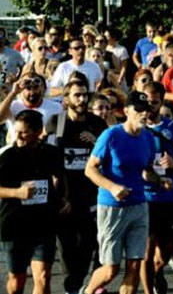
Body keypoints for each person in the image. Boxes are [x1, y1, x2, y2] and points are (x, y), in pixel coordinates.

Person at [81, 91, 173, 294]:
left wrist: (160, 180)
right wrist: (112, 187)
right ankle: (87, 291)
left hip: (139, 206)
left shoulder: (148, 138)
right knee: (110, 270)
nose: (144, 114)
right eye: (138, 110)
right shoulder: (111, 135)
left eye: (146, 110)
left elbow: (147, 171)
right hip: (112, 208)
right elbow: (90, 169)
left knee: (135, 265)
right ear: (126, 111)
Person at [48, 81, 108, 294]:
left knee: (88, 243)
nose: (82, 100)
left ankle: (80, 285)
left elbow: (111, 157)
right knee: (66, 248)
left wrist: (96, 143)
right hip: (64, 196)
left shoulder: (97, 124)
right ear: (66, 99)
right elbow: (47, 156)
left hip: (91, 195)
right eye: (77, 95)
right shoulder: (56, 123)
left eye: (84, 95)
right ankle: (73, 286)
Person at [0, 110, 67, 294]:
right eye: (17, 131)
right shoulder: (7, 156)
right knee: (17, 280)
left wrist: (63, 199)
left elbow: (60, 178)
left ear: (38, 132)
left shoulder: (52, 153)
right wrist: (17, 192)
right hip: (14, 225)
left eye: (24, 132)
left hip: (43, 223)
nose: (19, 136)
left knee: (43, 276)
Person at [141, 82, 173, 294]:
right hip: (144, 198)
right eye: (146, 102)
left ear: (161, 101)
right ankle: (149, 290)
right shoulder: (134, 129)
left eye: (154, 102)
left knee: (164, 255)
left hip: (168, 197)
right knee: (147, 251)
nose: (150, 107)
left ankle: (157, 273)